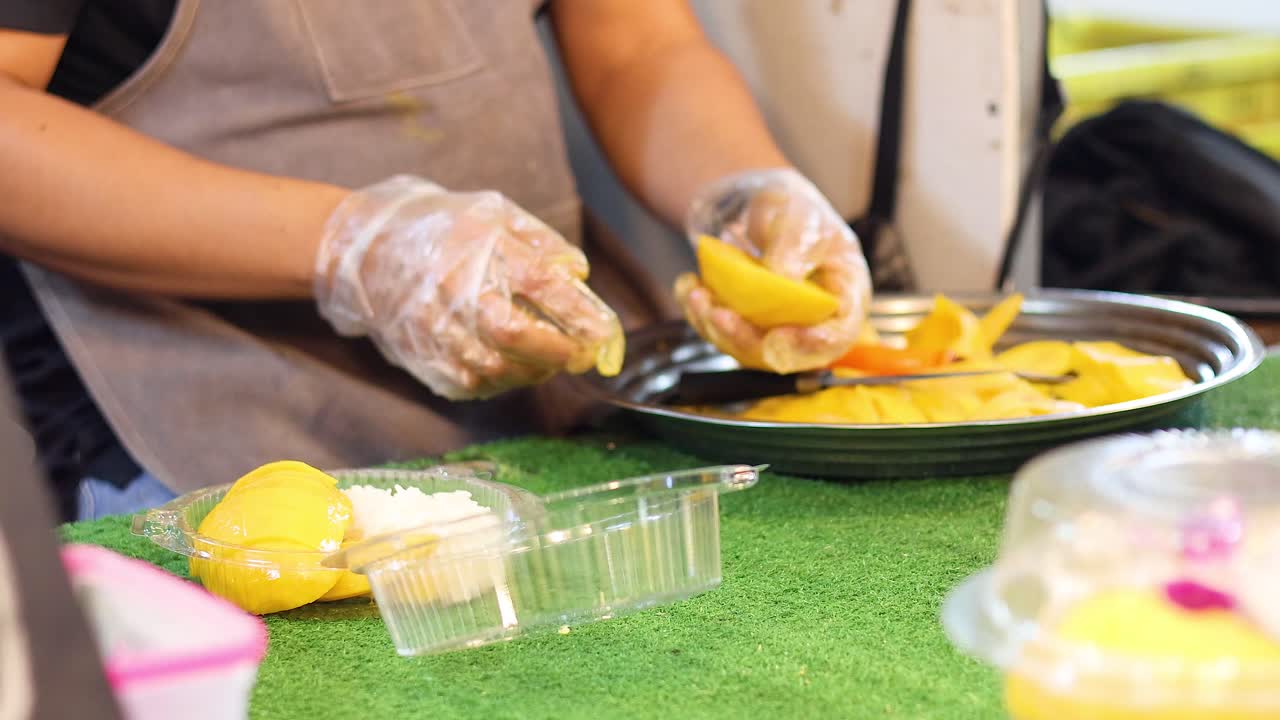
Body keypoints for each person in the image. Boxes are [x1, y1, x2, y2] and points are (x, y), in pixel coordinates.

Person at [0, 1, 870, 521]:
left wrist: (742, 192)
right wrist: (358, 250)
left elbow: (636, 42)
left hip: (545, 403)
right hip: (197, 417)